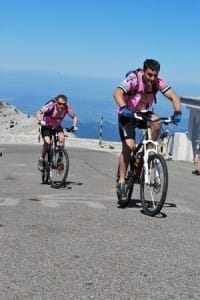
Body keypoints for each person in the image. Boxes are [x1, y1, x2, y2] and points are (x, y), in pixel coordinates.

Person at [113, 58, 182, 199]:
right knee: (129, 146)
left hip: (144, 114)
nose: (152, 78)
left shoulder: (158, 82)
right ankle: (121, 180)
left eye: (155, 75)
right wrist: (124, 108)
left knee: (157, 121)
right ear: (144, 71)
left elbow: (174, 97)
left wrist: (177, 112)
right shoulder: (133, 78)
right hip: (128, 115)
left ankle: (149, 152)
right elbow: (117, 93)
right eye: (150, 74)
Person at [35, 94, 78, 171]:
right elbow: (38, 112)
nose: (62, 105)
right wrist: (40, 121)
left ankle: (60, 159)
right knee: (47, 142)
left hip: (57, 126)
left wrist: (74, 126)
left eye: (63, 104)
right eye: (60, 103)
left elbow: (74, 116)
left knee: (62, 138)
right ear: (56, 102)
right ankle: (41, 159)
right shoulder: (51, 105)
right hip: (46, 125)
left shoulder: (67, 107)